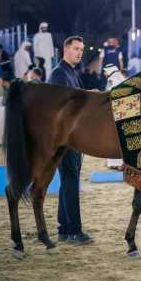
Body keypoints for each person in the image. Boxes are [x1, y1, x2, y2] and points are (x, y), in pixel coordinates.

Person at [48, 36, 93, 245]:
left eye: (82, 49)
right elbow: (63, 104)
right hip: (64, 139)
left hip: (70, 137)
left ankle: (64, 228)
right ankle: (74, 231)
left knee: (67, 181)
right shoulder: (59, 73)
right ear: (65, 49)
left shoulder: (70, 73)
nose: (80, 52)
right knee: (71, 181)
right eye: (76, 49)